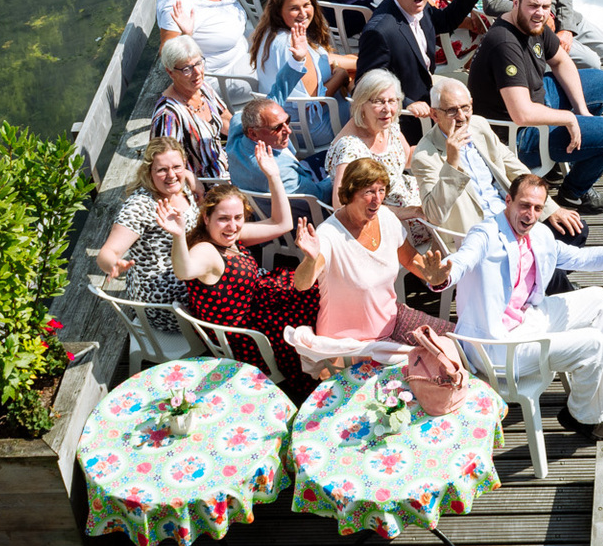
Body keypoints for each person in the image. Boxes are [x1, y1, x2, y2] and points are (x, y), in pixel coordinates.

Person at [439, 174, 603, 442]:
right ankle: (582, 416)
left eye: (537, 208)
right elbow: (462, 261)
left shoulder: (541, 235)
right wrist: (440, 275)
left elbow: (583, 258)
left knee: (598, 299)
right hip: (499, 345)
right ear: (508, 201)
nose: (530, 214)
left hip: (527, 319)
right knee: (593, 345)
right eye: (524, 205)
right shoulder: (485, 234)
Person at [162, 153, 319, 394]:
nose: (233, 225)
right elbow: (185, 271)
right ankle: (316, 377)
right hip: (247, 332)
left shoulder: (230, 235)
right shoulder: (207, 250)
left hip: (260, 302)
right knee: (313, 306)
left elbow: (282, 223)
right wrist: (178, 236)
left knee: (317, 286)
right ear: (206, 218)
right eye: (223, 218)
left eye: (238, 218)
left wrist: (273, 175)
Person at [467, 0, 603, 214]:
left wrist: (581, 111)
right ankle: (574, 193)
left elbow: (561, 61)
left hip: (538, 97)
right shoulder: (504, 44)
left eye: (545, 7)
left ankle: (572, 151)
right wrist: (570, 118)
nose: (539, 12)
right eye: (533, 5)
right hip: (517, 135)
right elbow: (522, 114)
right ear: (515, 3)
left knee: (601, 81)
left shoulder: (533, 24)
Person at [289, 158, 455, 376]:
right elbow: (302, 284)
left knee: (454, 340)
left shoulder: (386, 217)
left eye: (381, 190)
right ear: (349, 194)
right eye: (369, 191)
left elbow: (410, 259)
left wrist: (432, 276)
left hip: (392, 321)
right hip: (350, 346)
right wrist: (310, 259)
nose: (377, 199)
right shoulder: (329, 235)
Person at [409, 78, 590, 246]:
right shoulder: (425, 156)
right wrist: (452, 164)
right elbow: (434, 215)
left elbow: (513, 166)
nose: (462, 117)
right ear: (434, 114)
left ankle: (537, 277)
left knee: (575, 231)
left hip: (510, 214)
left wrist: (551, 208)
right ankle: (540, 277)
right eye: (451, 111)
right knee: (539, 255)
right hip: (477, 233)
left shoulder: (478, 125)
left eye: (465, 108)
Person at [353, 0, 483, 141]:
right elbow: (366, 84)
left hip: (426, 91)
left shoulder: (420, 7)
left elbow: (446, 21)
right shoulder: (379, 31)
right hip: (405, 119)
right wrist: (405, 103)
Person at [96, 137, 199, 335]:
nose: (171, 175)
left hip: (189, 271)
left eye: (176, 167)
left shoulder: (181, 187)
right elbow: (107, 252)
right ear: (149, 172)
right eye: (162, 170)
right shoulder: (140, 206)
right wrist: (113, 265)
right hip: (166, 299)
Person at [156, 0, 271, 98]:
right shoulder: (175, 3)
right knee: (279, 66)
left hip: (243, 47)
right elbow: (166, 54)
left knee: (284, 38)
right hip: (222, 76)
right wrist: (186, 37)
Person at [248, 0, 354, 147]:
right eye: (294, 8)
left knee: (354, 62)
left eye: (306, 5)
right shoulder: (292, 45)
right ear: (279, 12)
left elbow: (324, 58)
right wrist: (340, 76)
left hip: (292, 124)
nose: (303, 13)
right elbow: (313, 102)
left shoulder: (269, 33)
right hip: (312, 129)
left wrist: (353, 61)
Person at [326, 69, 420, 215]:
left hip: (412, 196)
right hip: (392, 220)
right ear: (361, 104)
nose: (387, 109)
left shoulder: (387, 126)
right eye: (378, 101)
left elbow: (407, 159)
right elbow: (341, 205)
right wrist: (406, 213)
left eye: (392, 101)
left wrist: (442, 148)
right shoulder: (350, 148)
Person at [150, 34, 232, 180]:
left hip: (224, 164)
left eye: (199, 63)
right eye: (187, 69)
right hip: (203, 182)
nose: (197, 72)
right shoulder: (168, 115)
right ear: (170, 72)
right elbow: (164, 163)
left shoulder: (203, 88)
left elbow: (226, 120)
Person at [227, 97, 332, 204]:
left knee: (327, 154)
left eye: (287, 121)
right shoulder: (282, 172)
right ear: (253, 134)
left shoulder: (237, 127)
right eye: (277, 128)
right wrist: (340, 170)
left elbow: (267, 106)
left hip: (300, 175)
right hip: (307, 212)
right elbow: (321, 196)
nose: (288, 130)